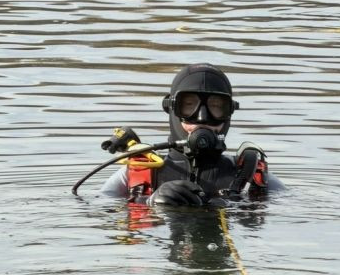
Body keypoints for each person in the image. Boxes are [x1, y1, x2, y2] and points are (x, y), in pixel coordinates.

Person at [101, 63, 278, 207]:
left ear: (229, 112)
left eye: (216, 107)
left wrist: (232, 205)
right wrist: (150, 202)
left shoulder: (249, 175)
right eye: (189, 105)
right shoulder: (140, 171)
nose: (202, 118)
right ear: (172, 109)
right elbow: (99, 210)